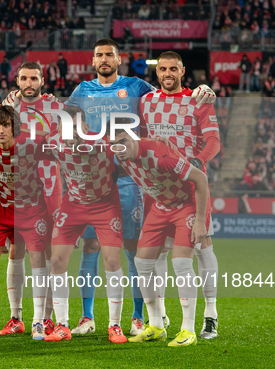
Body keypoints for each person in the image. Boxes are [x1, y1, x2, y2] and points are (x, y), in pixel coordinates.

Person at [64, 38, 215, 337]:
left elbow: (175, 94)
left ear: (119, 59)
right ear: (93, 61)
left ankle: (153, 316)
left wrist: (205, 89)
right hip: (103, 178)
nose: (104, 59)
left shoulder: (139, 89)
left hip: (146, 177)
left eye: (110, 54)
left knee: (164, 248)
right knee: (98, 246)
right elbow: (65, 124)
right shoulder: (83, 91)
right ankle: (90, 316)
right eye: (99, 55)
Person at [140, 51, 221, 339]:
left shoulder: (197, 101)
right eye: (162, 69)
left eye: (173, 68)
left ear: (183, 70)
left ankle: (210, 314)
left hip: (190, 186)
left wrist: (198, 161)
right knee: (156, 251)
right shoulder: (146, 102)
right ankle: (159, 317)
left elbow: (213, 141)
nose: (167, 73)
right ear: (157, 72)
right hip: (157, 188)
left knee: (201, 246)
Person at [114, 129, 209, 347]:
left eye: (123, 141)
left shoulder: (161, 155)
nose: (118, 148)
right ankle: (156, 326)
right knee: (142, 263)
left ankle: (188, 330)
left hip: (185, 204)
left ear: (135, 138)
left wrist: (200, 221)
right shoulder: (121, 156)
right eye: (114, 144)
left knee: (181, 263)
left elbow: (201, 179)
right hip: (160, 206)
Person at [43, 106, 127, 344]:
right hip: (73, 205)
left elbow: (127, 157)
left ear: (86, 126)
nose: (70, 132)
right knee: (57, 261)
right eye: (64, 126)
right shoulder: (53, 142)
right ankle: (62, 325)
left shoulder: (102, 145)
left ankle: (115, 326)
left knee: (112, 260)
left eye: (76, 126)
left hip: (105, 205)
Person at [0, 105, 50, 340]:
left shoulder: (31, 142)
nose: (1, 130)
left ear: (15, 128)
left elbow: (59, 152)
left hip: (32, 207)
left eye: (6, 125)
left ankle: (38, 321)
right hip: (0, 208)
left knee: (37, 258)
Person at [0, 62, 62, 337]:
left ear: (42, 80)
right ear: (17, 80)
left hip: (50, 184)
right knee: (16, 249)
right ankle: (16, 317)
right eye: (23, 78)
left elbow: (62, 142)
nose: (28, 82)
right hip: (20, 186)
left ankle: (46, 317)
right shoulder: (10, 104)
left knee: (48, 250)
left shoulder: (55, 106)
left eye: (33, 78)